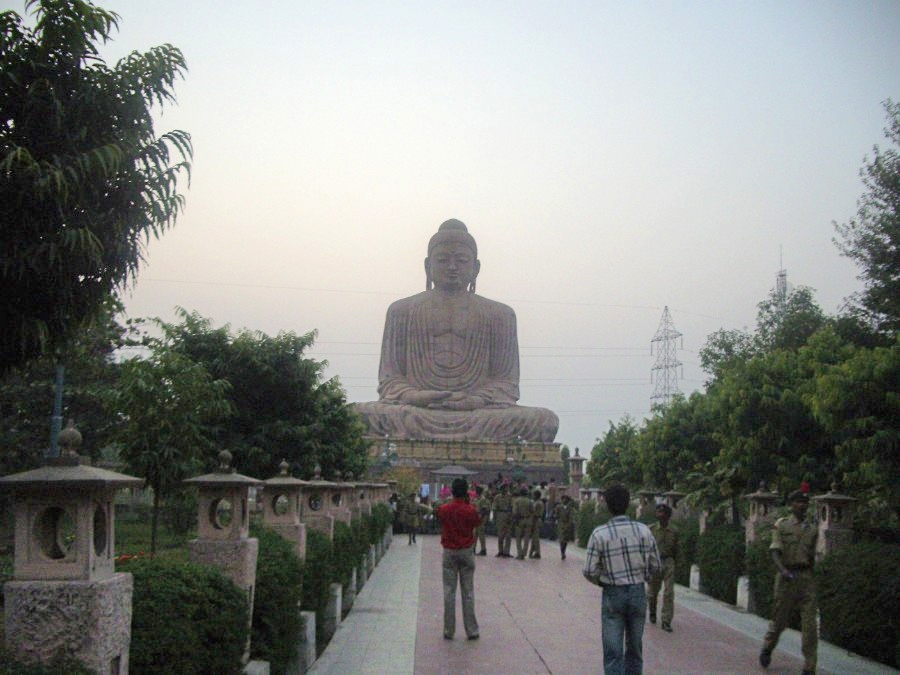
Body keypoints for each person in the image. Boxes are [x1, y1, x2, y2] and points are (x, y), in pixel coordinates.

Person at [352, 219, 559, 442]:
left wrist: (476, 400)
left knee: (544, 420)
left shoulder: (500, 315)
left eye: (461, 260)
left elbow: (506, 382)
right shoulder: (401, 311)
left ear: (476, 268)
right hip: (416, 409)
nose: (452, 267)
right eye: (442, 260)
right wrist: (416, 396)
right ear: (427, 265)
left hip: (479, 413)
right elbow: (390, 379)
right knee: (355, 415)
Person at [583, 484, 661, 675]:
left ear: (608, 506)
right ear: (628, 504)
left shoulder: (599, 534)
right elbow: (656, 565)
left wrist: (603, 580)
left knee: (613, 651)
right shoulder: (644, 531)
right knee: (635, 648)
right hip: (637, 592)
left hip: (613, 593)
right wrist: (642, 577)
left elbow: (589, 570)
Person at [759, 490, 818, 675]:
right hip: (786, 577)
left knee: (810, 626)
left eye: (804, 502)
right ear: (792, 504)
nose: (802, 505)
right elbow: (775, 551)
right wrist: (782, 570)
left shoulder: (812, 529)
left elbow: (813, 556)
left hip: (805, 578)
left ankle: (810, 666)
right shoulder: (782, 526)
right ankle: (768, 647)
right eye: (798, 502)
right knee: (779, 622)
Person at [435, 477, 482, 640]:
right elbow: (477, 523)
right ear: (466, 492)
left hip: (449, 551)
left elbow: (439, 518)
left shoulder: (444, 509)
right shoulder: (471, 510)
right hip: (466, 551)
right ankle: (472, 630)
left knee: (449, 591)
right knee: (468, 592)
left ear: (452, 491)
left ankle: (449, 630)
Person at [647, 503, 678, 632]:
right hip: (655, 561)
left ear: (668, 516)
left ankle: (666, 620)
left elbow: (677, 549)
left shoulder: (674, 531)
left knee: (668, 592)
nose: (661, 515)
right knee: (652, 593)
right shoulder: (651, 529)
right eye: (659, 513)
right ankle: (652, 611)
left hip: (669, 561)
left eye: (664, 513)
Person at [492, 483, 513, 557]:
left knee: (508, 535)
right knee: (500, 535)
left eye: (506, 488)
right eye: (504, 488)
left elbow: (511, 506)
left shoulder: (509, 496)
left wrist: (511, 516)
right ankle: (500, 551)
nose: (506, 490)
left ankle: (506, 552)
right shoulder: (497, 497)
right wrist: (494, 518)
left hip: (507, 514)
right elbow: (494, 508)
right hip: (500, 514)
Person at [554, 494, 576, 559]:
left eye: (565, 499)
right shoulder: (558, 507)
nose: (564, 500)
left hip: (567, 525)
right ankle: (562, 553)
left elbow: (570, 517)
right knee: (561, 539)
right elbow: (556, 515)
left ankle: (564, 551)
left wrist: (569, 524)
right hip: (560, 525)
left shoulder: (570, 508)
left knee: (565, 540)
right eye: (563, 499)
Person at [512, 487, 532, 560]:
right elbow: (532, 510)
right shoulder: (529, 501)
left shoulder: (517, 501)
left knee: (518, 538)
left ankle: (520, 553)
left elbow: (515, 511)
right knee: (526, 538)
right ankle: (524, 553)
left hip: (519, 520)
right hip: (528, 519)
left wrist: (515, 519)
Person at [473, 485, 492, 555]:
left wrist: (480, 517)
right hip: (476, 517)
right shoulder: (476, 499)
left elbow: (484, 509)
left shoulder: (482, 499)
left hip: (481, 518)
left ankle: (483, 549)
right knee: (474, 534)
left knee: (481, 535)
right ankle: (473, 548)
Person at [528, 489, 544, 559]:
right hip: (536, 520)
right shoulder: (538, 502)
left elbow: (534, 512)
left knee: (535, 538)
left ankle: (537, 552)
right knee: (534, 537)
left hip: (536, 520)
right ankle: (532, 552)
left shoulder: (538, 503)